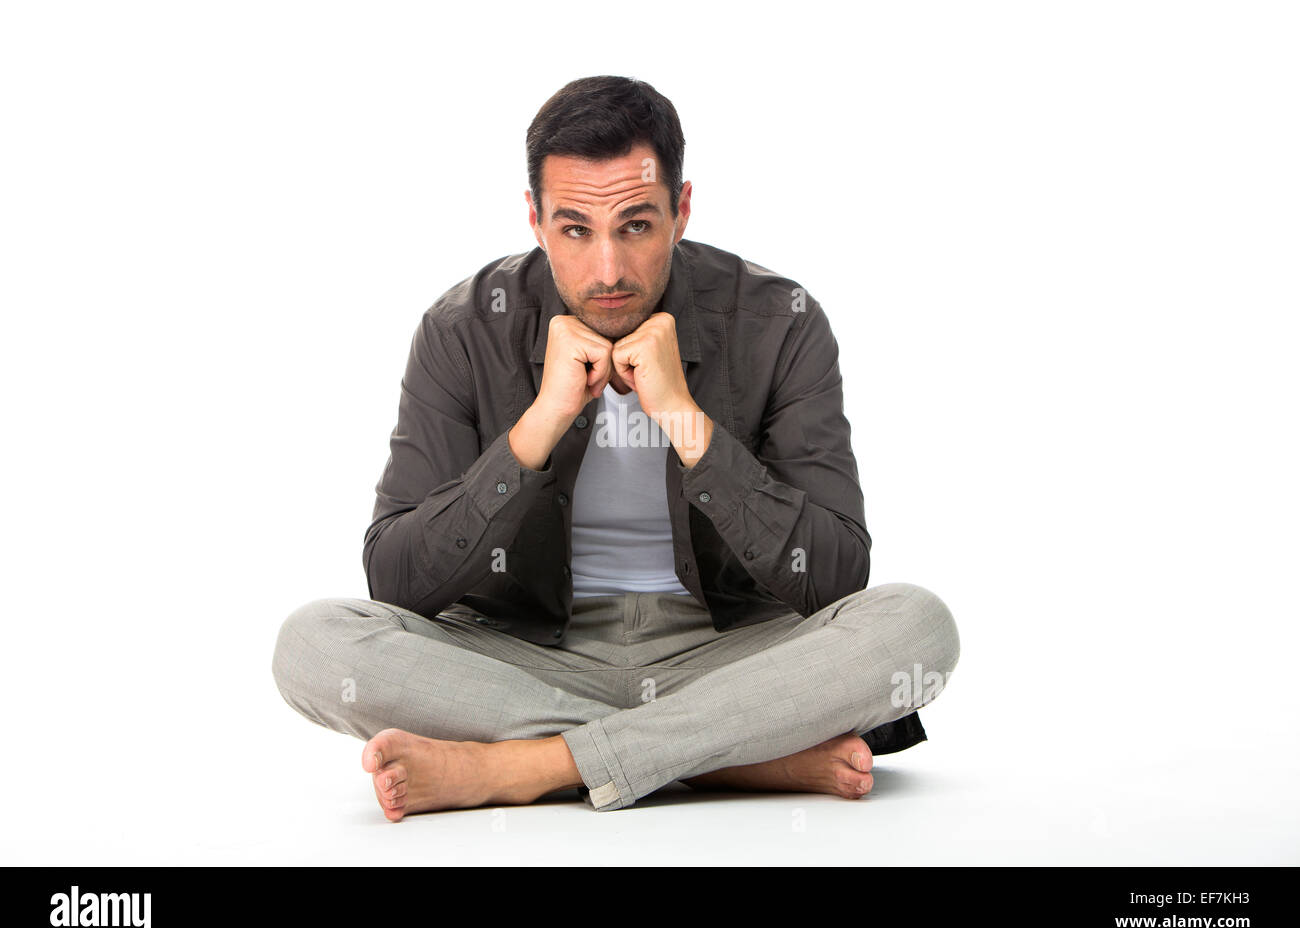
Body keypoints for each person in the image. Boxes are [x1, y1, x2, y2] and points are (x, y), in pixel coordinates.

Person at [272, 75, 960, 819]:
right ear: (534, 219)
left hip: (725, 652)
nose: (607, 271)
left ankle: (528, 766)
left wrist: (686, 419)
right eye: (575, 229)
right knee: (312, 645)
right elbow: (397, 582)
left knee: (918, 627)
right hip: (525, 655)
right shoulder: (462, 329)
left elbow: (837, 576)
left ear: (681, 210)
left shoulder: (778, 321)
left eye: (635, 225)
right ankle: (728, 759)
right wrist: (537, 426)